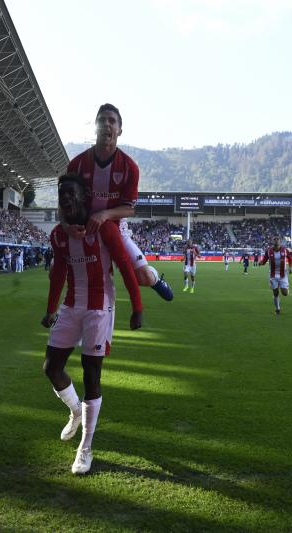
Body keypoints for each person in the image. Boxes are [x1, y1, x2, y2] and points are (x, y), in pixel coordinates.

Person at [42, 174, 144, 475]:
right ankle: (75, 411)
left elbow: (125, 267)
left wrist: (137, 307)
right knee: (51, 368)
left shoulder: (104, 229)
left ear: (84, 197)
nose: (67, 199)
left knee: (91, 375)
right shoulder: (59, 235)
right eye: (62, 195)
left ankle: (85, 448)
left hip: (99, 308)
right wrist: (50, 309)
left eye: (72, 193)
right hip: (72, 305)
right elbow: (59, 271)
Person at [65, 103, 172, 301]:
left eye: (111, 121)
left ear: (119, 130)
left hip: (117, 229)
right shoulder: (77, 164)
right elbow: (63, 204)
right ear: (95, 127)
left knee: (144, 277)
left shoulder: (130, 167)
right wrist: (66, 225)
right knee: (57, 268)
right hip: (83, 229)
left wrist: (104, 215)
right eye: (101, 120)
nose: (106, 124)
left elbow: (130, 210)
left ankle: (156, 280)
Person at [260, 236, 292, 315]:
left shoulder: (285, 250)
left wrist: (290, 267)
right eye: (274, 239)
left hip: (283, 274)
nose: (276, 241)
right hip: (273, 274)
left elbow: (290, 259)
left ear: (280, 242)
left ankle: (286, 289)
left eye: (278, 239)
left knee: (284, 293)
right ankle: (277, 308)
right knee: (275, 293)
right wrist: (260, 263)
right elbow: (264, 261)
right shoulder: (269, 251)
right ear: (272, 241)